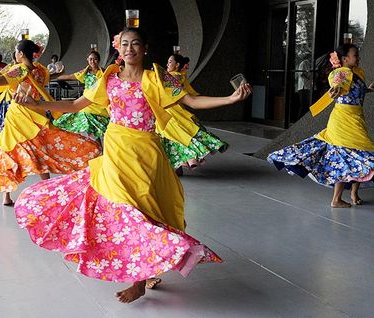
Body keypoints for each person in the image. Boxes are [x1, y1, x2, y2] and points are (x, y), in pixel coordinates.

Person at [14, 28, 252, 303]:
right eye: (124, 44)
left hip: (146, 154)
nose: (129, 49)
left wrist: (230, 99)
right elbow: (76, 104)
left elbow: (191, 100)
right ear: (119, 48)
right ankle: (138, 280)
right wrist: (36, 103)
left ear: (145, 48)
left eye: (135, 44)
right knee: (122, 210)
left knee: (144, 212)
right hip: (116, 151)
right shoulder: (109, 77)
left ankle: (144, 271)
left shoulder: (158, 77)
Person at [0, 40, 100, 206]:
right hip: (36, 114)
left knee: (9, 151)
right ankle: (45, 189)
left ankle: (7, 194)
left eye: (16, 52)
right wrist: (60, 72)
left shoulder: (20, 69)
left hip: (19, 116)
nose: (16, 55)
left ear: (21, 54)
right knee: (40, 150)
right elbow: (50, 77)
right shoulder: (40, 69)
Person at [268, 44, 374, 208]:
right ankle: (336, 200)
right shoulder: (341, 73)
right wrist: (335, 89)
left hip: (356, 119)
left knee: (358, 153)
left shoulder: (356, 73)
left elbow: (352, 90)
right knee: (345, 156)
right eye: (355, 55)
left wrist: (367, 89)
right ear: (345, 59)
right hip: (343, 121)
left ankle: (354, 193)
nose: (358, 57)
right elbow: (338, 84)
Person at [160, 53, 229, 175]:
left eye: (170, 62)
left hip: (172, 112)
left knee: (174, 138)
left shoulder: (172, 76)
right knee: (176, 138)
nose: (167, 64)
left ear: (177, 65)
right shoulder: (180, 76)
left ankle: (177, 166)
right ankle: (177, 166)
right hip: (174, 111)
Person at [51, 51, 109, 142]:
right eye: (90, 59)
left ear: (99, 60)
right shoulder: (85, 73)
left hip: (100, 104)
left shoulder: (105, 72)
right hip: (87, 102)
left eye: (95, 59)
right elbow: (69, 76)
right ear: (87, 60)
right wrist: (53, 77)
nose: (92, 61)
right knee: (81, 120)